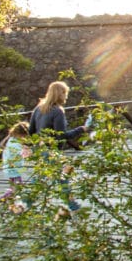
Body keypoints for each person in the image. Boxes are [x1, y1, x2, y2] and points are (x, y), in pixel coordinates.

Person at [29, 80, 87, 211]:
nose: (66, 96)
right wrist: (80, 130)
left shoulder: (38, 109)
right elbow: (61, 135)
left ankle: (24, 203)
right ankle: (72, 205)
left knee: (42, 179)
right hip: (52, 151)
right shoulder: (58, 111)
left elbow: (31, 131)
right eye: (65, 93)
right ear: (60, 94)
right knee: (60, 178)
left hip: (40, 149)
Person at [0, 121, 31, 202]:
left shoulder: (12, 139)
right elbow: (19, 154)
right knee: (17, 186)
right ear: (20, 134)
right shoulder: (14, 144)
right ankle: (5, 197)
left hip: (13, 167)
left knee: (16, 184)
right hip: (13, 168)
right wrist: (27, 152)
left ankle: (11, 199)